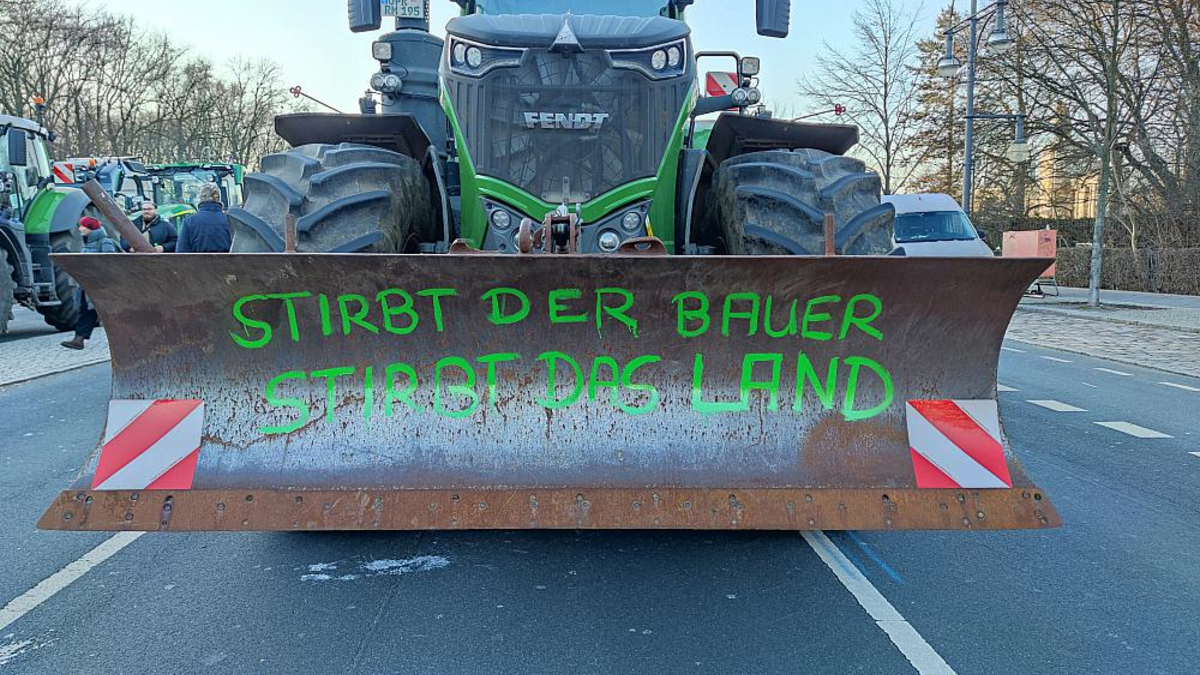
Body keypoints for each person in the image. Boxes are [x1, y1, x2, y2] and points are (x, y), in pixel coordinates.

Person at [61, 217, 117, 350]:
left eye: (82, 226)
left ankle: (122, 340)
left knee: (109, 314)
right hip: (87, 285)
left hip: (100, 286)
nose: (80, 229)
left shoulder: (105, 242)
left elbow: (111, 263)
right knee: (86, 311)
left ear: (90, 228)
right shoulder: (87, 243)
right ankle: (78, 339)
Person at [177, 183, 232, 252]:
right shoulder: (230, 221)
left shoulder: (189, 221)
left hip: (197, 262)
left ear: (200, 199)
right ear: (219, 199)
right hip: (228, 262)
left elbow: (181, 251)